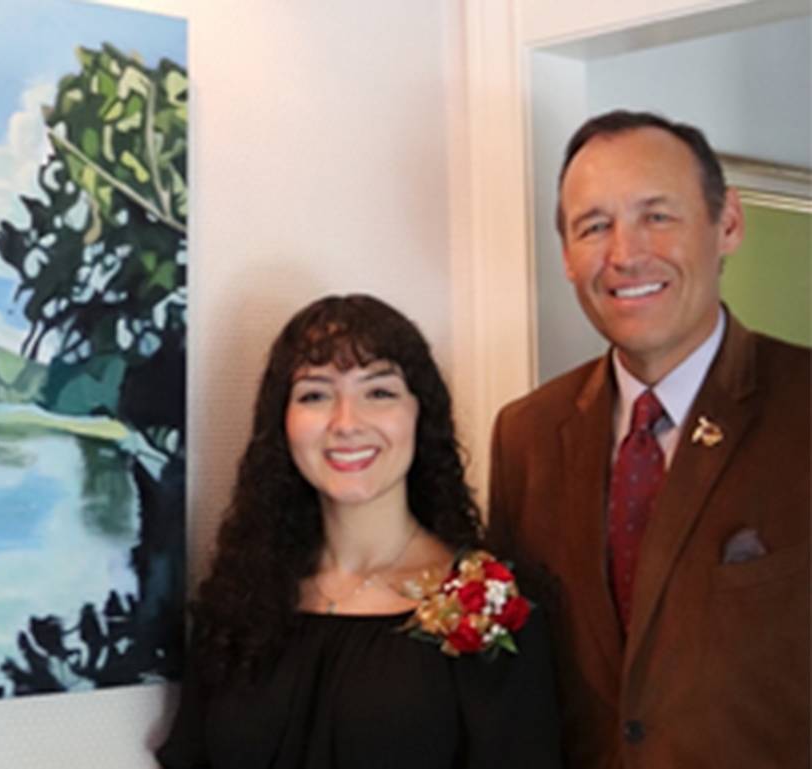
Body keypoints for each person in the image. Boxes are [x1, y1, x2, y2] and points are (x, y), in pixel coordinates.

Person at [488, 110, 810, 768]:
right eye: (594, 225)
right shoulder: (525, 435)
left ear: (728, 225)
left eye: (657, 216)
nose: (625, 253)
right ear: (567, 258)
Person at [158, 294, 561, 769]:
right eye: (315, 394)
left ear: (420, 414)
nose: (346, 423)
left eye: (379, 392)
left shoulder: (493, 606)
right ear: (282, 423)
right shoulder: (237, 602)